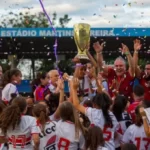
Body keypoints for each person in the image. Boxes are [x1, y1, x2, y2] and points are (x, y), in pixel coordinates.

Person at [70, 78, 118, 150]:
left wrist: (74, 89)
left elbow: (76, 105)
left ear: (95, 104)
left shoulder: (93, 112)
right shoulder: (112, 115)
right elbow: (115, 134)